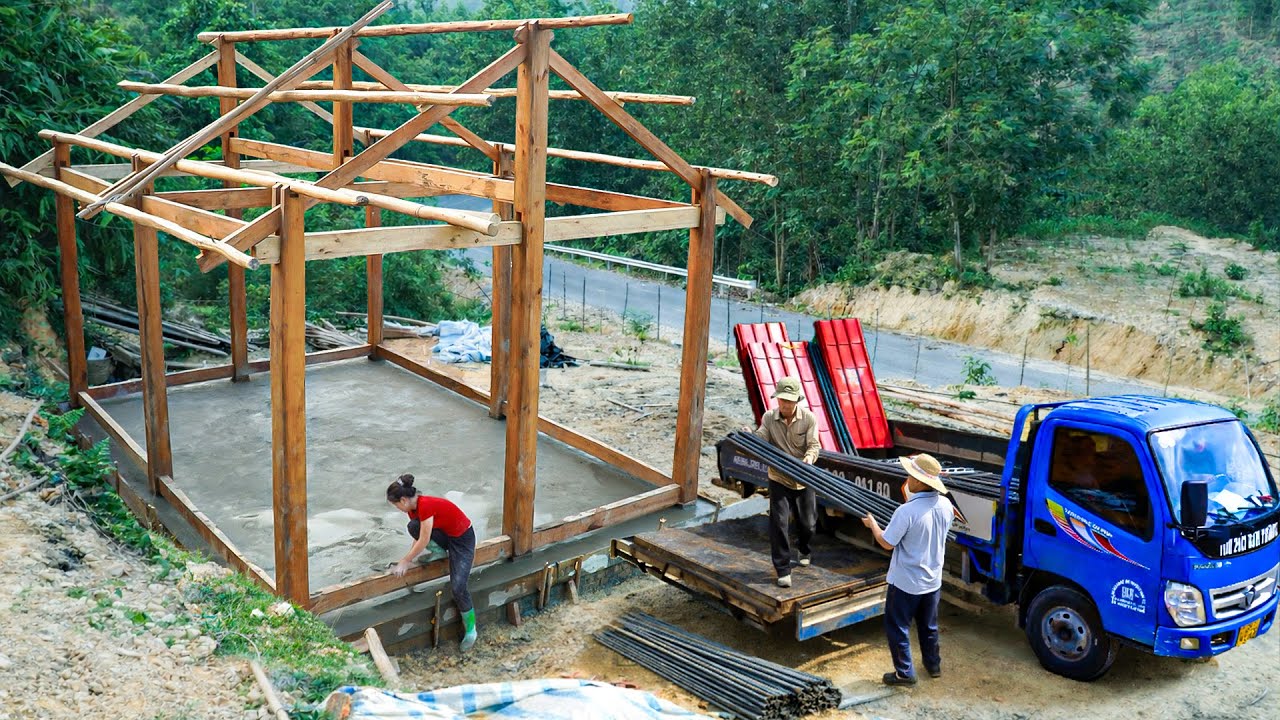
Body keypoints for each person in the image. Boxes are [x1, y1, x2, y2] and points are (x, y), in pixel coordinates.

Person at [861, 454, 954, 685]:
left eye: (911, 475)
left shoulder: (906, 511)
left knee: (898, 626)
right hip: (932, 580)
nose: (908, 478)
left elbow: (887, 542)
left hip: (906, 582)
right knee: (928, 626)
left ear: (921, 482)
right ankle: (933, 666)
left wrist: (873, 525)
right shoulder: (946, 505)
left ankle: (904, 673)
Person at [386, 474, 479, 651]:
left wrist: (406, 560)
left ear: (404, 500)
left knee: (458, 586)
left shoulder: (425, 505)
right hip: (446, 535)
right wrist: (407, 558)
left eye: (396, 504)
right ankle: (439, 553)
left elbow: (424, 538)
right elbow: (420, 534)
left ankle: (471, 629)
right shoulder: (412, 510)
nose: (397, 508)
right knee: (413, 526)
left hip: (462, 539)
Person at [752, 376, 821, 588]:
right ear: (777, 399)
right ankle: (783, 569)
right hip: (778, 478)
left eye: (790, 401)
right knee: (779, 524)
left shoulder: (809, 418)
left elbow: (814, 445)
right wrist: (752, 436)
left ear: (797, 400)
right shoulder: (769, 418)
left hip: (802, 477)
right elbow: (761, 437)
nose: (786, 404)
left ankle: (804, 548)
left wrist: (808, 459)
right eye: (782, 400)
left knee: (807, 523)